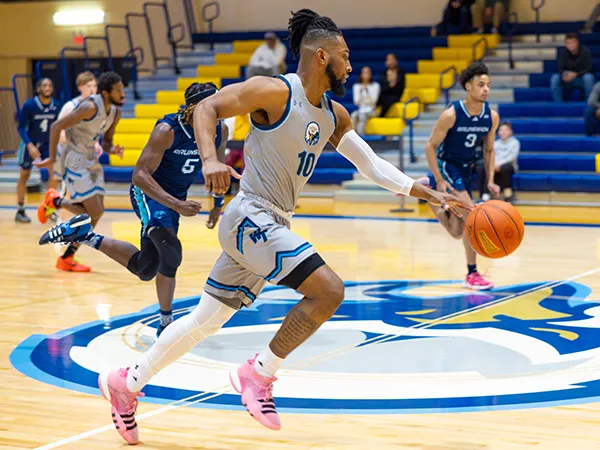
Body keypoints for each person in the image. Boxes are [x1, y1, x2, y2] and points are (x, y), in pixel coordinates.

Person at [38, 9, 469, 444]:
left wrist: (428, 193)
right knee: (329, 290)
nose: (350, 64)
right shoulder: (275, 91)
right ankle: (257, 373)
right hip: (250, 215)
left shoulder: (334, 114)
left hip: (271, 222)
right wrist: (209, 160)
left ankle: (125, 383)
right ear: (321, 56)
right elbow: (207, 106)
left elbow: (372, 164)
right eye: (345, 55)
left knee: (203, 323)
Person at [40, 82, 227, 337]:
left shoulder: (220, 129)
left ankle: (83, 235)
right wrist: (176, 204)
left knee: (146, 268)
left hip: (174, 200)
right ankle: (166, 325)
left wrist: (217, 204)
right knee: (172, 252)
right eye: (215, 105)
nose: (221, 110)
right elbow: (139, 176)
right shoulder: (167, 130)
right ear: (198, 107)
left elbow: (217, 166)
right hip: (149, 193)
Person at [35, 72, 125, 273]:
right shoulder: (89, 106)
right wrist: (50, 159)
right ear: (105, 92)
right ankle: (55, 203)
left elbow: (107, 142)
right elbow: (56, 126)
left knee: (95, 214)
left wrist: (113, 149)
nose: (122, 93)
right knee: (95, 211)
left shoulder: (115, 112)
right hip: (74, 159)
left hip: (91, 158)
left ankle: (66, 256)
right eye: (118, 89)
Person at [423, 61, 500, 290]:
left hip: (468, 170)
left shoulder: (491, 116)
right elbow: (430, 146)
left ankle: (428, 196)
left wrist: (490, 181)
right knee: (472, 217)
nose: (485, 89)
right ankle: (472, 273)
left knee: (458, 232)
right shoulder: (451, 114)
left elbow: (488, 150)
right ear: (468, 87)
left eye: (488, 85)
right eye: (480, 84)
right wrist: (439, 178)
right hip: (448, 166)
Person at [15, 78, 61, 223]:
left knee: (53, 175)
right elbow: (20, 127)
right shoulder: (29, 105)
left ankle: (50, 209)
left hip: (48, 145)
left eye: (50, 85)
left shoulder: (57, 106)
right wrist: (29, 145)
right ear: (38, 89)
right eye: (44, 85)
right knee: (24, 175)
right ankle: (20, 210)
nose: (47, 87)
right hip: (31, 144)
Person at [53, 71, 101, 183]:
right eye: (88, 86)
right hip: (69, 150)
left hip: (86, 150)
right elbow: (58, 129)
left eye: (94, 86)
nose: (92, 89)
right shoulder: (71, 106)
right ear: (80, 87)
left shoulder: (97, 107)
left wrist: (96, 143)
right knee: (68, 186)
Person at [477, 121, 519, 202]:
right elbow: (491, 156)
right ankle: (484, 194)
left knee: (505, 168)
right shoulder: (495, 143)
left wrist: (499, 164)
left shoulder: (515, 142)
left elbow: (512, 157)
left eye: (506, 130)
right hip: (494, 165)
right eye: (501, 130)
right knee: (482, 167)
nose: (503, 132)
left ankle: (508, 194)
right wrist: (494, 164)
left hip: (508, 166)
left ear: (510, 132)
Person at [550, 33, 595, 103]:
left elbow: (589, 68)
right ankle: (558, 103)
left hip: (581, 79)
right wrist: (565, 74)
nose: (570, 45)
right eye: (568, 43)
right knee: (555, 78)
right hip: (567, 79)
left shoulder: (585, 51)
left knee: (588, 77)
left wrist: (575, 74)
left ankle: (589, 103)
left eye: (572, 42)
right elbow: (560, 68)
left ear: (577, 42)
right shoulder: (562, 52)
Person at [351, 66, 380, 135]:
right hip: (361, 109)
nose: (366, 75)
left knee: (362, 116)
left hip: (372, 110)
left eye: (368, 73)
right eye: (364, 73)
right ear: (361, 75)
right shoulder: (356, 86)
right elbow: (356, 102)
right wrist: (361, 92)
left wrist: (367, 92)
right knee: (354, 115)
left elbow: (374, 102)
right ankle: (353, 135)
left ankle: (361, 136)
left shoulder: (375, 86)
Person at [377, 53, 405, 117]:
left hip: (395, 95)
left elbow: (401, 87)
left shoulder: (400, 73)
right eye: (388, 60)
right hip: (384, 94)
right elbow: (382, 87)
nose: (390, 62)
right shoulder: (383, 73)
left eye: (392, 59)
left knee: (389, 100)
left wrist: (392, 85)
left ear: (396, 61)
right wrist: (390, 85)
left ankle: (381, 116)